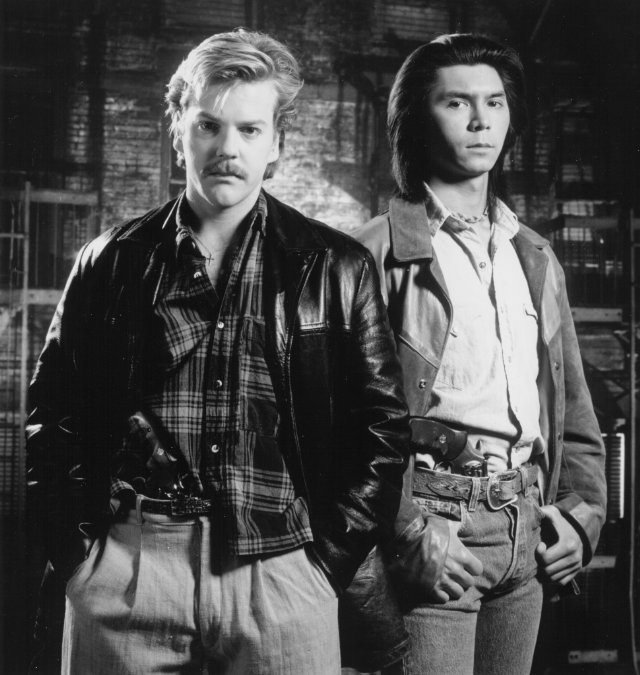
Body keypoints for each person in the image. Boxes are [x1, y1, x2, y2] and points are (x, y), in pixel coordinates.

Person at [26, 28, 410, 674]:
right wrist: (79, 559)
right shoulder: (110, 260)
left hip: (283, 571)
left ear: (277, 143)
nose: (227, 148)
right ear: (178, 131)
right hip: (130, 566)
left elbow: (383, 428)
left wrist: (326, 563)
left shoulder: (336, 266)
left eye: (250, 130)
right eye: (208, 125)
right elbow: (51, 413)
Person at [342, 33, 607, 675]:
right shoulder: (369, 254)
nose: (481, 120)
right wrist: (408, 529)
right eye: (457, 102)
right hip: (437, 529)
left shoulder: (533, 255)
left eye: (495, 102)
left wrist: (581, 518)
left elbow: (572, 409)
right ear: (416, 118)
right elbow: (340, 423)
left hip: (526, 529)